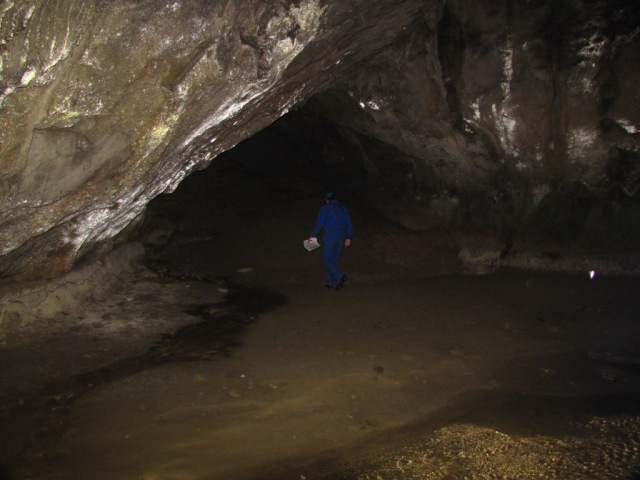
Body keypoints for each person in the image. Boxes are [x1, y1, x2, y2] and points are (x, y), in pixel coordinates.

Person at [309, 192, 353, 290]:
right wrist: (348, 237)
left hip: (330, 236)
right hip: (341, 237)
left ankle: (340, 276)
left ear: (326, 200)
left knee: (326, 260)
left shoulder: (326, 208)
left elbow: (319, 224)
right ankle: (330, 283)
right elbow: (349, 224)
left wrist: (312, 235)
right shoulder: (343, 209)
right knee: (333, 260)